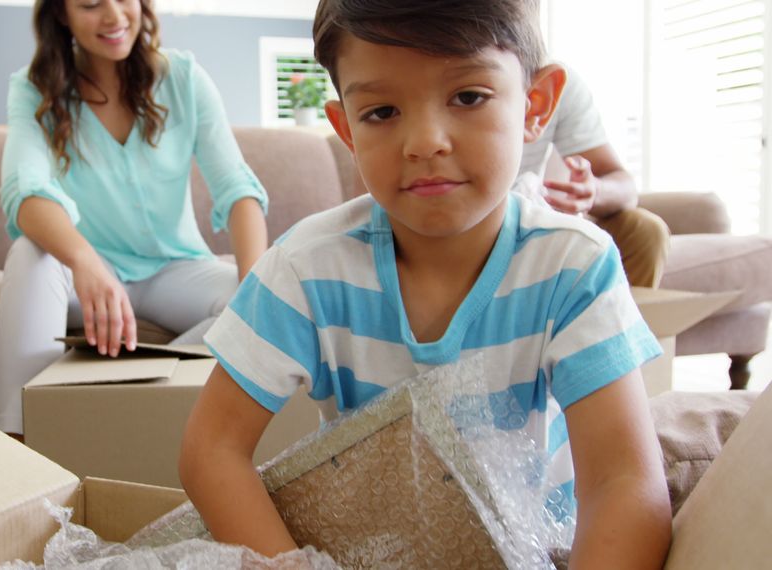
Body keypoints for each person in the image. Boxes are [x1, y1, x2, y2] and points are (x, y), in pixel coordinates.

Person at [179, 0, 672, 567]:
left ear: (535, 105)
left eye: (468, 97)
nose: (425, 141)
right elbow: (211, 450)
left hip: (543, 548)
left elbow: (624, 482)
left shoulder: (572, 264)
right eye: (382, 112)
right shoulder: (306, 269)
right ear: (345, 128)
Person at [0, 0, 268, 436]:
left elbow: (238, 191)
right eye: (90, 4)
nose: (114, 16)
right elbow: (23, 191)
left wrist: (259, 291)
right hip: (84, 274)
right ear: (61, 13)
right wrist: (86, 263)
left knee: (260, 301)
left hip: (176, 269)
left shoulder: (184, 79)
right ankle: (19, 436)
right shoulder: (33, 90)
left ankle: (129, 400)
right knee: (29, 253)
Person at [521, 67, 670, 288]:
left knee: (644, 230)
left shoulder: (557, 83)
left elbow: (625, 188)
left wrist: (593, 190)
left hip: (529, 226)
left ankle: (626, 321)